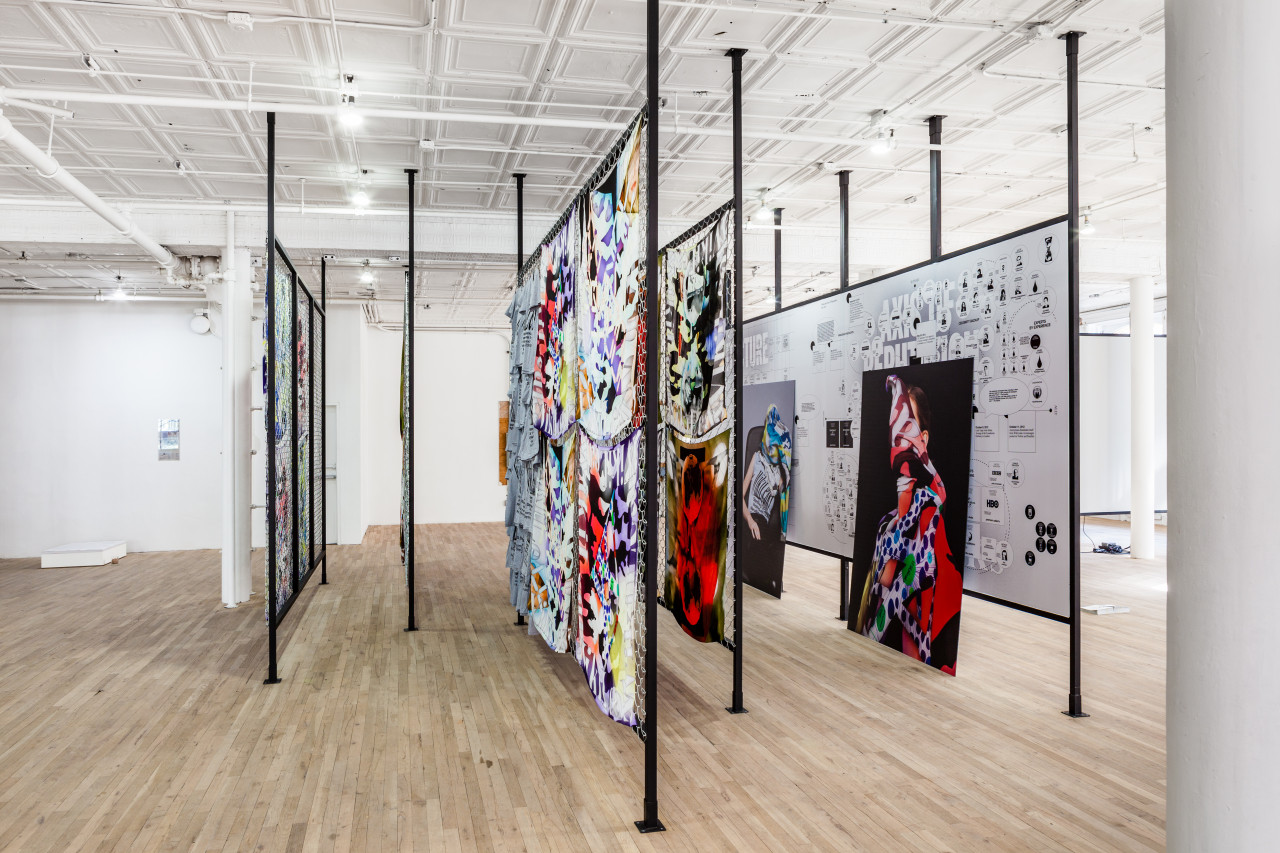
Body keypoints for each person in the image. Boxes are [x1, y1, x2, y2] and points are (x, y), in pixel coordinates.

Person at [858, 375, 947, 664]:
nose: (898, 437)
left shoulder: (930, 509)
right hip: (875, 642)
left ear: (924, 438)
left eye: (909, 425)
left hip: (912, 647)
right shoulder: (890, 522)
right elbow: (879, 582)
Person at [740, 405, 792, 594]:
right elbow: (740, 495)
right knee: (757, 540)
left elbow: (783, 495)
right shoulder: (756, 457)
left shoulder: (780, 470)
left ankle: (770, 582)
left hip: (766, 523)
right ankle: (766, 581)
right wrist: (751, 520)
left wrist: (784, 465)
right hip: (753, 516)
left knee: (763, 543)